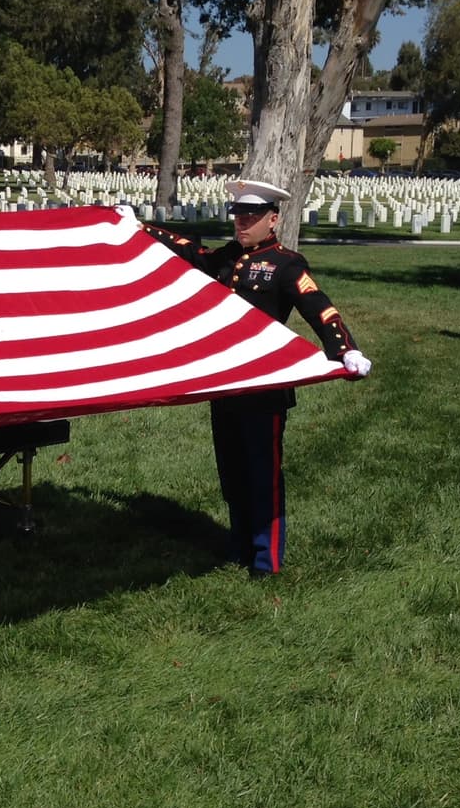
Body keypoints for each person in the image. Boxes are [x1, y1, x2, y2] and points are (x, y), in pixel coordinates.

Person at [142, 180, 372, 577]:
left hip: (265, 388)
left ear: (273, 220)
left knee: (262, 474)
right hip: (227, 383)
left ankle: (266, 561)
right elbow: (190, 252)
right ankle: (239, 547)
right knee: (232, 472)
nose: (242, 223)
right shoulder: (228, 257)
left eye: (251, 217)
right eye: (238, 216)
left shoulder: (286, 264)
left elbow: (318, 306)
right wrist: (140, 228)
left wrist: (344, 348)